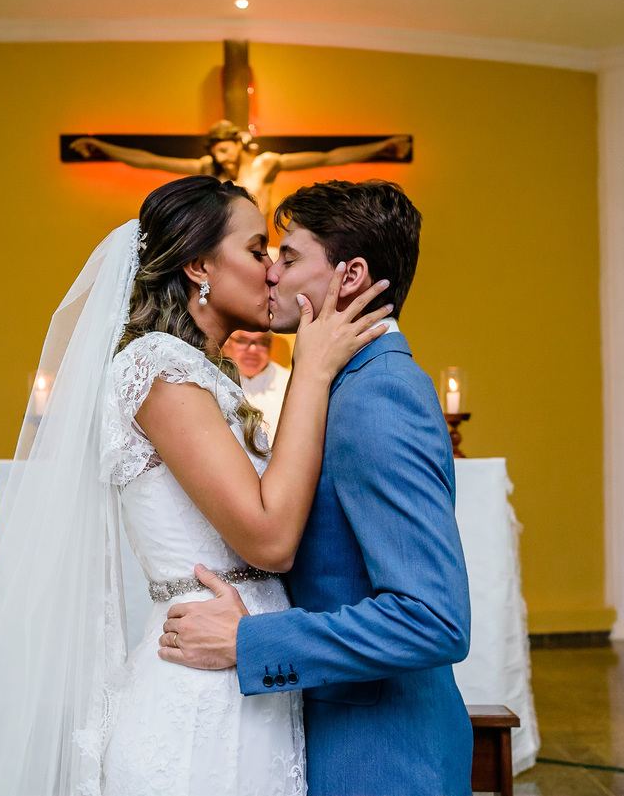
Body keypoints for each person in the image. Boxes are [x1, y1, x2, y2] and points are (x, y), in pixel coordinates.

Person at [0, 175, 391, 796]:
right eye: (255, 250)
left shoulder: (203, 376)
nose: (272, 270)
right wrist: (313, 370)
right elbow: (269, 540)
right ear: (198, 266)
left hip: (244, 672)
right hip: (199, 699)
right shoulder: (156, 368)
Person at [158, 180, 474, 796]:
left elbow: (434, 619)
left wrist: (249, 640)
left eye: (290, 257)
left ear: (349, 276)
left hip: (381, 758)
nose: (270, 274)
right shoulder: (339, 384)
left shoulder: (378, 395)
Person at [70, 120, 412, 221]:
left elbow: (329, 157)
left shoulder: (267, 164)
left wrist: (381, 146)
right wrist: (100, 146)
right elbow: (148, 160)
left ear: (237, 142)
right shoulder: (207, 169)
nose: (222, 159)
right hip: (222, 238)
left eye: (225, 149)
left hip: (259, 239)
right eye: (216, 153)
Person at [223, 330, 291, 439]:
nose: (253, 349)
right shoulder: (209, 380)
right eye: (242, 341)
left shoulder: (291, 383)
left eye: (262, 342)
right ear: (225, 344)